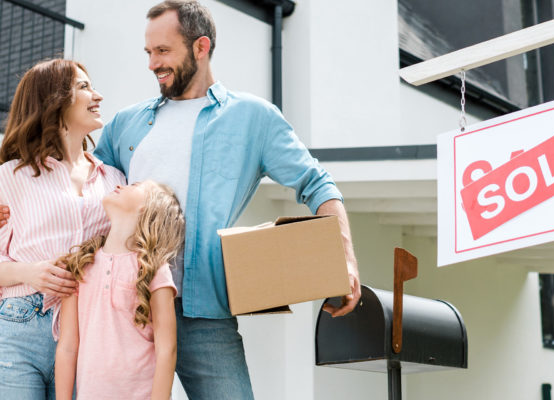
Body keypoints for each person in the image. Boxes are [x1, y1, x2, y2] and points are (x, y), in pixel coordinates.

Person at [0, 1, 361, 398]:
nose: (153, 63)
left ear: (201, 47)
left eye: (163, 51)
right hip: (121, 307)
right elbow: (80, 194)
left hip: (203, 311)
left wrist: (343, 257)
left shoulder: (253, 118)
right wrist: (12, 214)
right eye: (149, 52)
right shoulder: (127, 122)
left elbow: (318, 183)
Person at [0, 59, 126, 399]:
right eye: (84, 87)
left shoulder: (114, 181)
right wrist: (30, 271)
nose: (97, 95)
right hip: (18, 324)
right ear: (53, 99)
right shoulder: (11, 176)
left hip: (87, 328)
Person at [55, 180, 184, 400]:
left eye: (134, 185)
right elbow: (67, 347)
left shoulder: (154, 270)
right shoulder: (79, 264)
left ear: (147, 207)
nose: (121, 185)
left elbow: (167, 350)